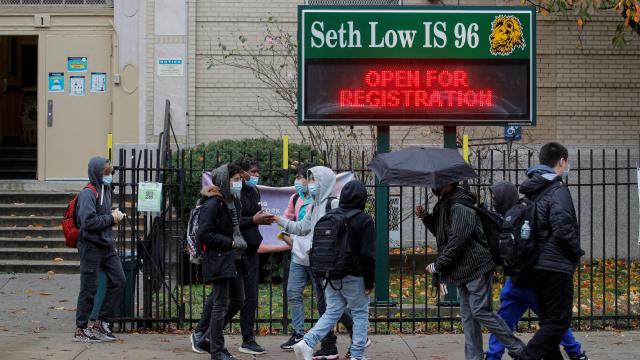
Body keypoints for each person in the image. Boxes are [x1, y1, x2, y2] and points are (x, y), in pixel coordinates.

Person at [417, 182, 525, 360]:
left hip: (477, 267)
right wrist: (426, 217)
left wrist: (439, 265)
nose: (433, 185)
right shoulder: (445, 203)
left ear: (447, 182)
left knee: (480, 311)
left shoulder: (460, 205)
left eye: (437, 181)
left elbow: (458, 240)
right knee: (469, 320)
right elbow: (442, 233)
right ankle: (474, 357)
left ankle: (518, 349)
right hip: (462, 270)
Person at [485, 181, 588, 360]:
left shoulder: (519, 215)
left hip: (528, 281)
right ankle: (576, 352)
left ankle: (575, 351)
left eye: (495, 198)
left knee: (550, 322)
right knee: (510, 321)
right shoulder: (514, 215)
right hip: (521, 281)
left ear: (504, 198)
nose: (494, 202)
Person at [274, 166, 355, 360]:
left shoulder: (334, 204)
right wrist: (280, 220)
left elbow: (347, 233)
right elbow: (302, 228)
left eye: (313, 180)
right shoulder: (313, 206)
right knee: (323, 305)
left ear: (324, 182)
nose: (310, 185)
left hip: (331, 264)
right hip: (316, 262)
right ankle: (329, 345)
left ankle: (357, 337)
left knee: (334, 304)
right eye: (308, 180)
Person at [515, 142, 584, 360]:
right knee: (559, 321)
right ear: (562, 161)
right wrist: (576, 253)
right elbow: (563, 227)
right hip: (555, 265)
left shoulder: (532, 189)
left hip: (535, 265)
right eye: (566, 162)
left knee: (548, 320)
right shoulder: (557, 189)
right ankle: (527, 357)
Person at [292, 180, 375, 360]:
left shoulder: (331, 215)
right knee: (360, 312)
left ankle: (307, 342)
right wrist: (369, 282)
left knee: (332, 311)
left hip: (330, 274)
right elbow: (368, 255)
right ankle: (357, 355)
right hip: (354, 275)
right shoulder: (364, 219)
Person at [191, 164, 248, 360]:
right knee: (221, 303)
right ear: (225, 180)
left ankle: (208, 338)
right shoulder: (213, 203)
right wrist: (230, 242)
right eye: (236, 179)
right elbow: (204, 234)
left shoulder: (232, 202)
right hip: (219, 258)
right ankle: (217, 350)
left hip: (234, 258)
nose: (239, 183)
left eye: (240, 179)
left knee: (238, 299)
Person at [74, 156, 126, 342]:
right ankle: (81, 328)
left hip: (106, 244)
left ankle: (101, 323)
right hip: (90, 245)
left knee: (119, 280)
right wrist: (111, 218)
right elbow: (88, 221)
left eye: (110, 172)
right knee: (89, 288)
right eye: (106, 172)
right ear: (97, 173)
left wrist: (113, 215)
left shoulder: (105, 189)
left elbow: (101, 217)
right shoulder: (88, 193)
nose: (109, 175)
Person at [234, 158, 273, 355]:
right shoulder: (236, 192)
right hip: (237, 251)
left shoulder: (254, 191)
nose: (257, 176)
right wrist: (253, 220)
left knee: (250, 296)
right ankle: (204, 332)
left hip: (251, 250)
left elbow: (251, 219)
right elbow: (231, 221)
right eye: (254, 172)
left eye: (258, 172)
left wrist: (260, 220)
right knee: (232, 297)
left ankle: (248, 339)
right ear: (243, 173)